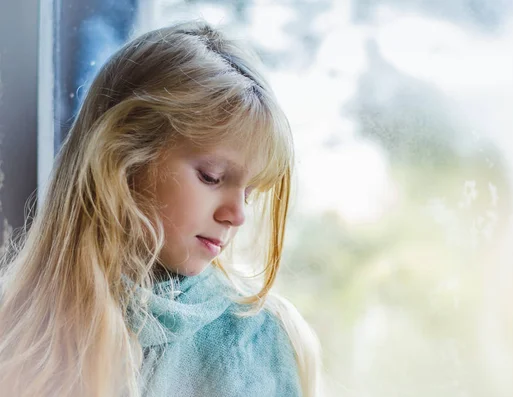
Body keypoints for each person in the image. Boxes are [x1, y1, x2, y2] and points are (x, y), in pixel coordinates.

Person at [0, 21, 321, 397]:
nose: (237, 215)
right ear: (122, 158)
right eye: (212, 176)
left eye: (249, 193)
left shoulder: (258, 341)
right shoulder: (17, 328)